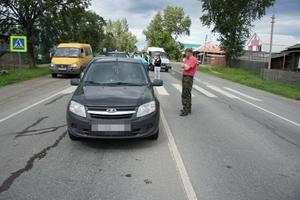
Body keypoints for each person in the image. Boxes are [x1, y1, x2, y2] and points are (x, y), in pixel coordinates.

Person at [180, 48, 198, 116]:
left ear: (189, 52)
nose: (185, 54)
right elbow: (183, 66)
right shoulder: (187, 59)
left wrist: (184, 66)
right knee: (187, 92)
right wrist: (184, 66)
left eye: (186, 53)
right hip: (185, 76)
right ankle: (188, 108)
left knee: (185, 93)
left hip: (188, 78)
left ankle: (185, 110)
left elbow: (187, 68)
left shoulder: (193, 59)